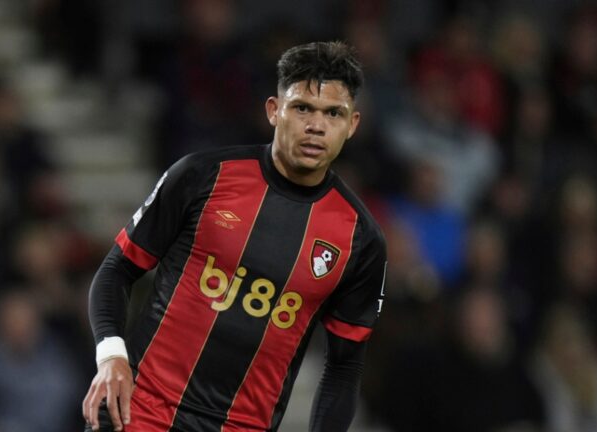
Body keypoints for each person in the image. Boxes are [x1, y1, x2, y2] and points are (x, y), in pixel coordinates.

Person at [82, 41, 387, 432]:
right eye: (302, 108)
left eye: (333, 113)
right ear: (274, 111)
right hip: (141, 411)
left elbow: (345, 365)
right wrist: (111, 357)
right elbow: (117, 269)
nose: (316, 125)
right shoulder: (202, 176)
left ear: (352, 125)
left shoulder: (361, 239)